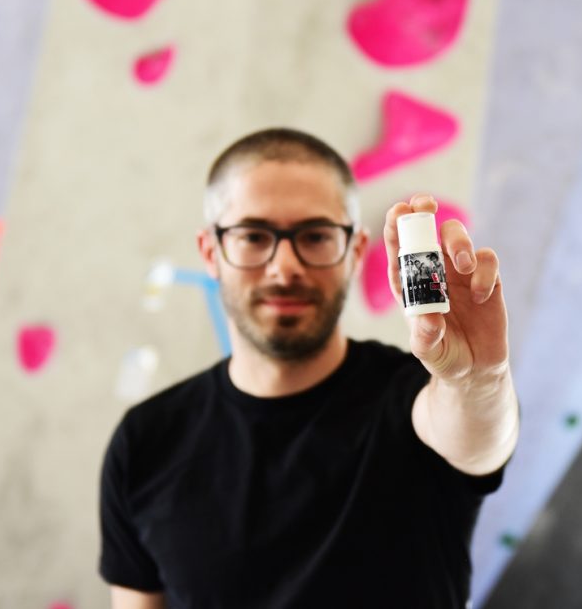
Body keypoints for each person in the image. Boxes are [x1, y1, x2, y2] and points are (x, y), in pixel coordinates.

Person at [98, 128, 520, 609]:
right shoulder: (145, 442)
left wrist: (478, 380)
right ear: (211, 253)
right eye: (254, 236)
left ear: (355, 252)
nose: (284, 266)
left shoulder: (415, 399)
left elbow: (475, 433)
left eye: (315, 236)